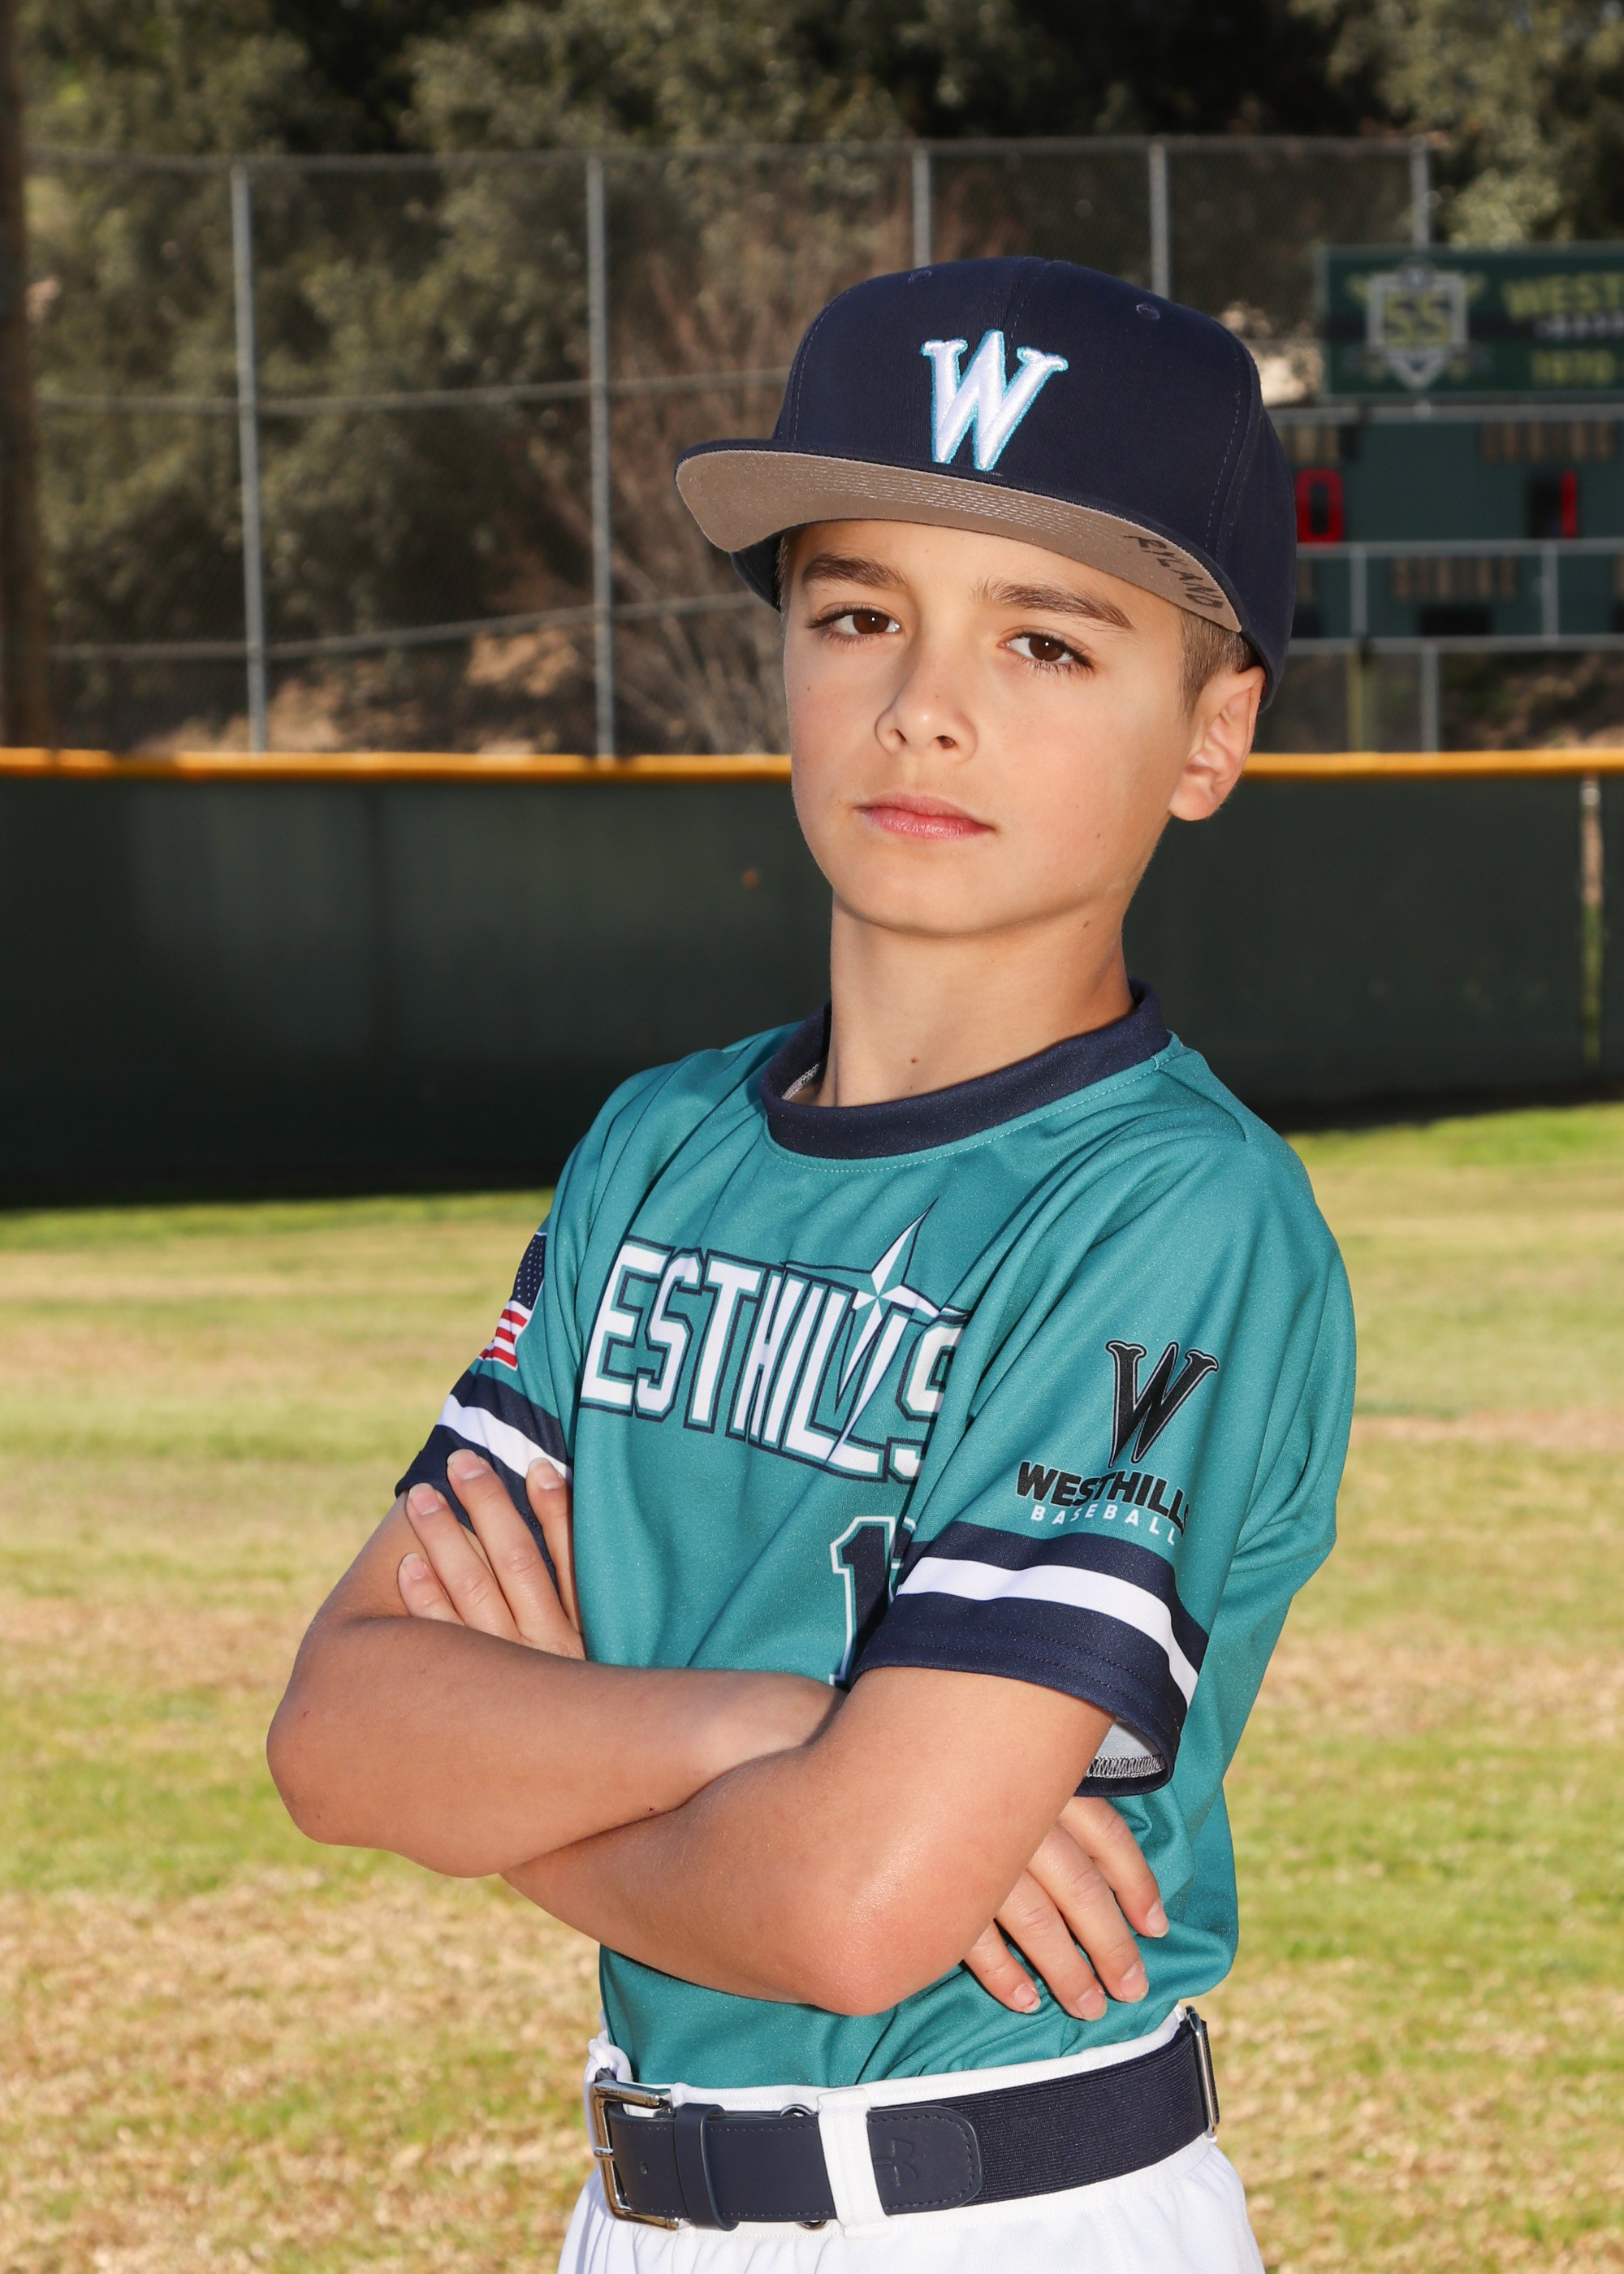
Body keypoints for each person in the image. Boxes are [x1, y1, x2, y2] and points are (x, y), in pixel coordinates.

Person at [269, 257, 1354, 2273]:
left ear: (1211, 732)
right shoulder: (661, 1143)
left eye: (1046, 640)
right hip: (635, 2205)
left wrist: (528, 1762)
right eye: (857, 613)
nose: (923, 702)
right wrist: (766, 1722)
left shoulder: (1170, 1210)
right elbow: (340, 1732)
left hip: (999, 2212)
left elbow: (854, 1908)